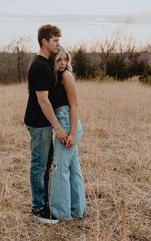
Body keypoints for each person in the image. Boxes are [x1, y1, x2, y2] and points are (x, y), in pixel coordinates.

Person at [24, 25, 68, 224]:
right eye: (55, 41)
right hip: (39, 123)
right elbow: (43, 101)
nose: (58, 44)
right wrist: (58, 127)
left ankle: (43, 202)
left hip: (44, 123)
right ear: (44, 41)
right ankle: (38, 208)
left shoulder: (45, 62)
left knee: (45, 163)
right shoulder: (40, 66)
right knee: (39, 165)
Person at [50, 47, 86, 220]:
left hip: (67, 124)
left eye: (65, 59)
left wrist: (71, 133)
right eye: (58, 60)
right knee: (72, 167)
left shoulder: (66, 75)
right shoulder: (55, 77)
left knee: (59, 169)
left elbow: (73, 105)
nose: (63, 63)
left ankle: (61, 213)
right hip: (64, 122)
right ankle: (77, 210)